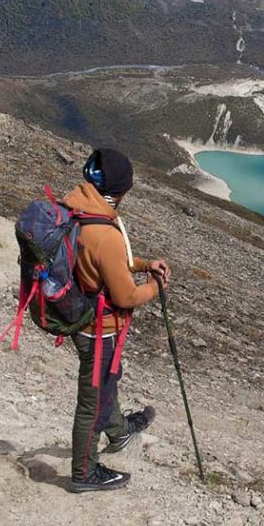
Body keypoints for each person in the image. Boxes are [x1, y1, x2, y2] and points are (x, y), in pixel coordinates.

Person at [62, 148, 171, 493]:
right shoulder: (105, 232)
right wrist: (154, 286)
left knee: (107, 382)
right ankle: (84, 473)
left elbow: (99, 260)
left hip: (81, 320)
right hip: (98, 330)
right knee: (92, 401)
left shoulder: (77, 209)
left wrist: (141, 265)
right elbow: (125, 297)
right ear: (120, 189)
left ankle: (120, 431)